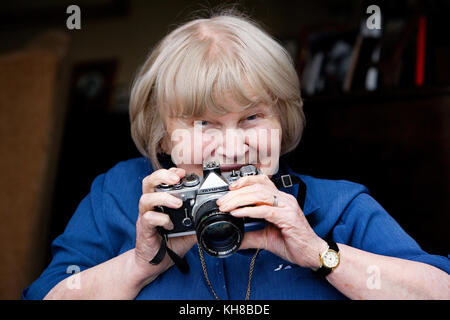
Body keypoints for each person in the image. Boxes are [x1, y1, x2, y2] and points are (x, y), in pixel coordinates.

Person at [23, 10, 449, 300]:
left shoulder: (337, 205)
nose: (230, 146)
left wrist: (319, 253)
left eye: (252, 117)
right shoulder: (117, 194)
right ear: (163, 136)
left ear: (283, 122)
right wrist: (137, 266)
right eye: (202, 123)